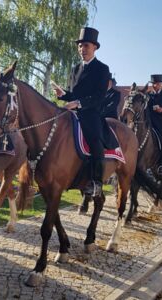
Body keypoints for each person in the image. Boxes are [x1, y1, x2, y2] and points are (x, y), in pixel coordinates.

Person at [54, 27, 110, 197]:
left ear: (94, 48)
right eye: (79, 46)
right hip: (72, 112)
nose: (82, 49)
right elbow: (73, 94)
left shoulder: (102, 68)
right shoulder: (74, 69)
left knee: (95, 141)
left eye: (85, 45)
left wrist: (77, 103)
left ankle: (96, 182)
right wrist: (63, 94)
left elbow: (99, 96)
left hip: (91, 114)